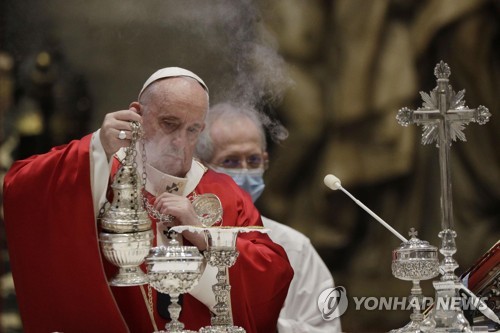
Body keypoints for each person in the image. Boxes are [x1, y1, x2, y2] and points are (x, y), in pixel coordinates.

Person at [2, 67, 293, 333]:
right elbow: (21, 188)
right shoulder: (101, 168)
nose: (180, 141)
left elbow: (273, 274)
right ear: (137, 114)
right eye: (169, 123)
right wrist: (97, 147)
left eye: (192, 130)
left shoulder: (224, 193)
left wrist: (204, 236)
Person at [195, 102, 342, 333]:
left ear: (265, 161)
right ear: (200, 167)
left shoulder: (295, 248)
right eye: (230, 161)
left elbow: (325, 327)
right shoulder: (183, 239)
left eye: (253, 161)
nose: (244, 172)